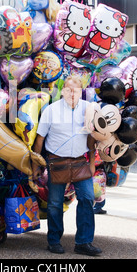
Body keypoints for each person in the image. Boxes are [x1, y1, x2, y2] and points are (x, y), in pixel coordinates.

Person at [32, 75, 100, 256]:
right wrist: (36, 164)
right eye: (69, 90)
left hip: (80, 161)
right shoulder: (51, 110)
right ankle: (54, 241)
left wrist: (92, 163)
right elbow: (40, 138)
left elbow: (92, 137)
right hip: (56, 162)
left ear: (81, 92)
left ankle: (84, 242)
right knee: (55, 203)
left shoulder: (88, 109)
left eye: (76, 90)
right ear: (63, 91)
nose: (72, 93)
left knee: (87, 198)